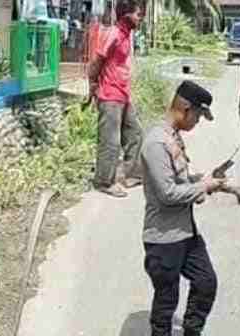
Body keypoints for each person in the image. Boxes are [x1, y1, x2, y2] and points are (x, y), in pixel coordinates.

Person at [140, 80, 227, 336]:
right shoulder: (155, 143)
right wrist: (202, 187)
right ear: (185, 109)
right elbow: (166, 194)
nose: (198, 122)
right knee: (167, 299)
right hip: (163, 238)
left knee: (206, 282)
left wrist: (203, 179)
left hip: (185, 231)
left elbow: (179, 180)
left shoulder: (173, 137)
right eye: (199, 116)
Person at [87, 0, 144, 198]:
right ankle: (104, 181)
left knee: (135, 133)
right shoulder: (113, 34)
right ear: (126, 15)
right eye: (137, 14)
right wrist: (92, 87)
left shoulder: (127, 34)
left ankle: (131, 175)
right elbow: (96, 62)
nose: (140, 17)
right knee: (110, 141)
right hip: (109, 95)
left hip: (123, 94)